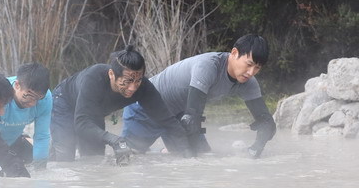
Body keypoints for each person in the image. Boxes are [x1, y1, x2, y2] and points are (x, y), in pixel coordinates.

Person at [121, 34, 276, 157]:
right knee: (130, 156)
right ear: (234, 53)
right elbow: (191, 118)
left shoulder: (248, 82)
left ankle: (165, 152)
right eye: (249, 64)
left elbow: (267, 124)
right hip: (146, 107)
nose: (251, 72)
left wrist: (254, 150)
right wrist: (190, 154)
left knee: (201, 156)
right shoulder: (208, 66)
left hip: (178, 114)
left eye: (257, 68)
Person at [50, 45, 191, 164]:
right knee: (65, 159)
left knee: (94, 160)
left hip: (93, 113)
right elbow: (81, 123)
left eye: (138, 80)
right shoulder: (93, 79)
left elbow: (166, 120)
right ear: (111, 74)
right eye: (127, 81)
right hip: (65, 103)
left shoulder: (144, 88)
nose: (133, 87)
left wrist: (188, 154)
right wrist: (115, 140)